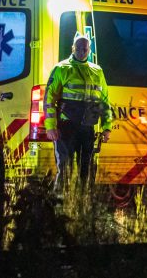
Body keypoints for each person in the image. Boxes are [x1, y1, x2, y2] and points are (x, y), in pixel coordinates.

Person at [44, 36, 112, 190]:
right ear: (72, 48)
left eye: (85, 48)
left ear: (89, 49)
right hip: (66, 127)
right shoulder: (61, 68)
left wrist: (107, 127)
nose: (82, 51)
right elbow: (49, 99)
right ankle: (59, 207)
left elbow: (104, 101)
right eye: (79, 48)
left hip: (87, 128)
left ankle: (82, 206)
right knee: (65, 169)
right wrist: (50, 126)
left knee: (86, 170)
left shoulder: (97, 71)